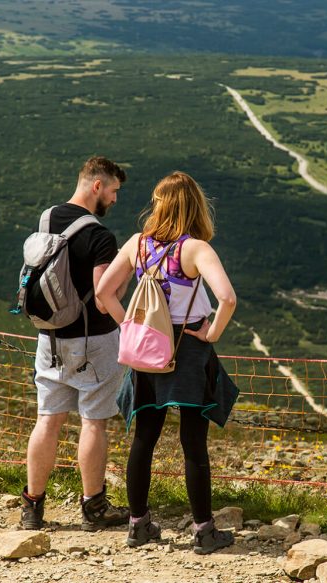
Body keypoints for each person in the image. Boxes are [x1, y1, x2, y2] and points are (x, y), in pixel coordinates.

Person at [96, 171, 239, 555]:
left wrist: (129, 325)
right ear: (194, 205)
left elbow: (102, 292)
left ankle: (138, 524)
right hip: (188, 348)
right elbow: (227, 298)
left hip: (147, 348)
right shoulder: (195, 249)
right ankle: (203, 531)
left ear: (159, 204)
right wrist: (211, 335)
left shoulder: (137, 245)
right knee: (193, 442)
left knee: (145, 436)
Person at [21, 156, 131, 531]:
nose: (115, 199)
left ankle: (32, 506)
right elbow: (104, 296)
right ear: (97, 185)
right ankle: (93, 508)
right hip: (94, 341)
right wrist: (132, 326)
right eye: (114, 191)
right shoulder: (101, 236)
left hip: (49, 338)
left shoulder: (47, 218)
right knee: (93, 423)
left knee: (48, 421)